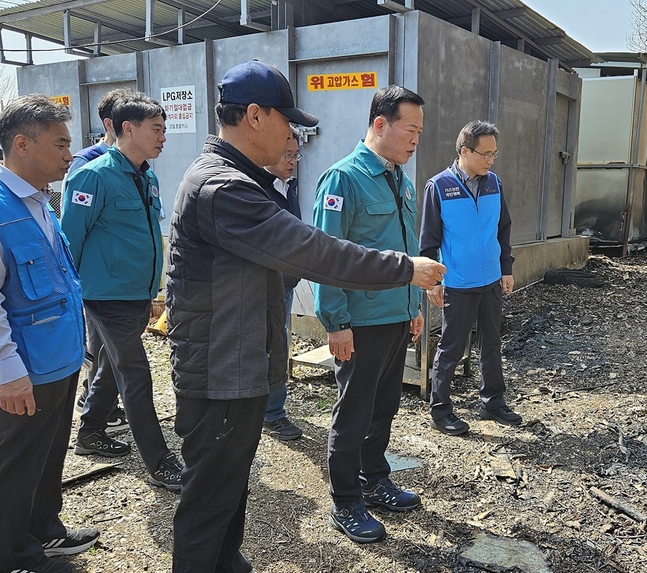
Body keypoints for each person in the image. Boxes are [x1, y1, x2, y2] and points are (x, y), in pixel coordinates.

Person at [167, 60, 444, 573]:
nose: (293, 136)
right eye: (287, 121)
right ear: (255, 116)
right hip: (221, 371)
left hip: (238, 364)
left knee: (228, 488)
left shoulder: (243, 182)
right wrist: (406, 269)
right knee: (208, 499)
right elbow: (316, 252)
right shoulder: (224, 188)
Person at [0, 94, 99, 573]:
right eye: (60, 144)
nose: (69, 154)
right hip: (24, 366)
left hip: (58, 356)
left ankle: (44, 530)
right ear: (22, 144)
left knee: (48, 453)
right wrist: (7, 370)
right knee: (16, 460)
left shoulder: (38, 200)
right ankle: (15, 557)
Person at [312, 85, 426, 544]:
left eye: (420, 131)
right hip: (359, 323)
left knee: (384, 407)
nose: (415, 139)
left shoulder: (400, 179)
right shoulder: (343, 179)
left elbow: (406, 250)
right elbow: (325, 257)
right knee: (354, 413)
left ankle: (374, 478)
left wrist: (413, 307)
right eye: (410, 129)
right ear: (380, 124)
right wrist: (336, 323)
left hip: (396, 317)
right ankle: (345, 500)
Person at [60, 92, 183, 491]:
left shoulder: (146, 176)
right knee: (136, 373)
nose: (163, 137)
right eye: (156, 129)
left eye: (164, 129)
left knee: (112, 365)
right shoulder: (92, 176)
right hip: (104, 296)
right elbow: (70, 241)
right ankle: (159, 461)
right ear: (128, 128)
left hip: (136, 294)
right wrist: (74, 296)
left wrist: (151, 291)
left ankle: (90, 431)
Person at [420, 120, 522, 436]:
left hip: (491, 280)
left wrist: (506, 268)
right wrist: (433, 282)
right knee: (451, 347)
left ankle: (493, 402)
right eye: (485, 154)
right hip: (458, 284)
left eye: (494, 154)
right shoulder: (439, 187)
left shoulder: (494, 184)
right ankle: (440, 410)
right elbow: (428, 241)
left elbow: (503, 228)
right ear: (465, 151)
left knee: (491, 343)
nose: (491, 160)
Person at [68, 88, 131, 430]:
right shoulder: (88, 163)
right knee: (100, 345)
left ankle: (101, 403)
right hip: (100, 279)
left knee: (113, 350)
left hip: (125, 279)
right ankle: (97, 407)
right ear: (111, 124)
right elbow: (75, 229)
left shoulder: (134, 165)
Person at [261, 128, 303, 441]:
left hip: (285, 283)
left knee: (280, 343)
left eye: (296, 156)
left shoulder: (289, 188)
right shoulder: (259, 189)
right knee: (271, 346)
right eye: (287, 155)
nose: (292, 161)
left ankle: (271, 409)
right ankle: (271, 413)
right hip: (264, 285)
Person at [66, 88, 131, 176]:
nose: (132, 130)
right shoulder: (84, 161)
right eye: (127, 125)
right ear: (109, 124)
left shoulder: (136, 161)